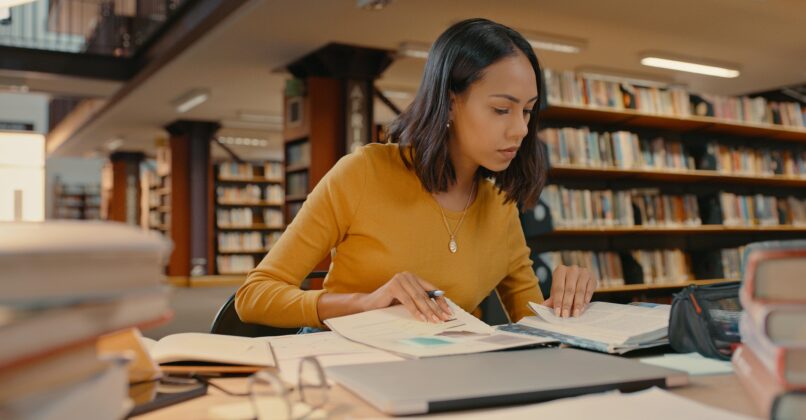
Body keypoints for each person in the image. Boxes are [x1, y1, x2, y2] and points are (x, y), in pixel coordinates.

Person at [235, 18, 596, 330]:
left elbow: (531, 323)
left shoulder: (500, 204)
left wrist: (566, 304)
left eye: (528, 111)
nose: (520, 129)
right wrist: (364, 303)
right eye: (502, 109)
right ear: (450, 100)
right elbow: (254, 295)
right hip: (350, 370)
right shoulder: (364, 173)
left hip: (448, 381)